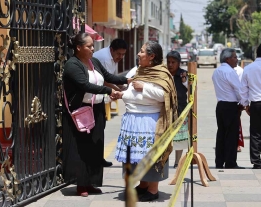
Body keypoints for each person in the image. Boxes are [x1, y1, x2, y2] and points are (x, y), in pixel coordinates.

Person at [62, 33, 130, 197]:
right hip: (80, 111)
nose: (93, 49)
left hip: (96, 109)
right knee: (82, 148)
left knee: (95, 146)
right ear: (78, 48)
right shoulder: (72, 65)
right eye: (89, 46)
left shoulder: (94, 62)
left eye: (93, 46)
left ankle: (92, 182)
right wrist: (109, 91)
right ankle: (81, 184)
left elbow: (109, 77)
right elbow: (85, 85)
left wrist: (128, 80)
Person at [114, 41, 178, 202]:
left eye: (141, 51)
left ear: (151, 56)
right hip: (133, 120)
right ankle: (142, 185)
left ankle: (152, 189)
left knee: (150, 156)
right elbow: (132, 91)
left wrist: (145, 87)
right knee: (137, 157)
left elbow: (165, 96)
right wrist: (121, 95)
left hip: (150, 121)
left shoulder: (162, 73)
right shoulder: (138, 70)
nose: (138, 54)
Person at [93, 38, 128, 167]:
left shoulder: (112, 57)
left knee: (101, 126)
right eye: (119, 54)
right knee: (97, 127)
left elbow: (110, 77)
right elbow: (105, 79)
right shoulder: (105, 58)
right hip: (94, 96)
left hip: (100, 95)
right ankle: (96, 158)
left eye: (123, 54)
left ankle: (98, 157)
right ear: (112, 50)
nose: (121, 57)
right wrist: (119, 89)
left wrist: (120, 87)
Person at [212, 48, 244, 169]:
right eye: (235, 57)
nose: (237, 59)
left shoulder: (216, 71)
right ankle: (230, 162)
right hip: (230, 106)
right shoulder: (230, 72)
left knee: (221, 133)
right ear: (227, 59)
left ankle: (219, 161)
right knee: (231, 135)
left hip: (220, 105)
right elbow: (239, 90)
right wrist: (244, 103)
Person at [166, 51, 189, 168]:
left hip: (181, 109)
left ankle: (177, 162)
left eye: (173, 62)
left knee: (179, 138)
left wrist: (185, 81)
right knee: (165, 136)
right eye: (168, 62)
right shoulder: (164, 74)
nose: (170, 64)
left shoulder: (183, 74)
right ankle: (164, 160)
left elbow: (191, 89)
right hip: (166, 110)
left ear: (178, 63)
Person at [234, 65, 244, 152]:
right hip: (228, 101)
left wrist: (242, 102)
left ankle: (237, 144)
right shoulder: (225, 70)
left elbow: (241, 87)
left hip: (237, 102)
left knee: (236, 124)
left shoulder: (240, 70)